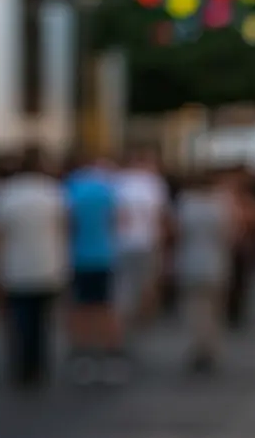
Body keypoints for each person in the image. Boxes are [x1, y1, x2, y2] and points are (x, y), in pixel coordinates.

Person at [0, 150, 67, 388]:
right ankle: (39, 365)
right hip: (47, 265)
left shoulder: (4, 194)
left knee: (20, 321)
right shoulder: (53, 193)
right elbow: (65, 227)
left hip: (15, 268)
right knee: (42, 322)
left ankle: (22, 365)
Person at [64, 155, 127, 384]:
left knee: (81, 309)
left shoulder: (71, 187)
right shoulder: (106, 189)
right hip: (105, 255)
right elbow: (118, 219)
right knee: (106, 308)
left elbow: (66, 222)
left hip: (79, 256)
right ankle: (112, 355)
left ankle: (83, 355)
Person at [173, 171, 236, 372]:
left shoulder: (185, 205)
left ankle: (199, 346)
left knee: (194, 308)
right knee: (214, 308)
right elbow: (230, 234)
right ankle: (211, 346)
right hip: (216, 261)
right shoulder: (221, 204)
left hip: (190, 261)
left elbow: (176, 232)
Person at [113, 149, 169, 329]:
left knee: (124, 283)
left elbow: (116, 215)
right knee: (146, 281)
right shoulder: (154, 183)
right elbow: (160, 215)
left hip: (123, 241)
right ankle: (142, 317)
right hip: (147, 240)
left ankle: (125, 316)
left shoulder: (119, 182)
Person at [222, 166, 255, 329]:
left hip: (241, 246)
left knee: (239, 280)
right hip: (227, 246)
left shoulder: (248, 201)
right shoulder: (220, 199)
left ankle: (235, 311)